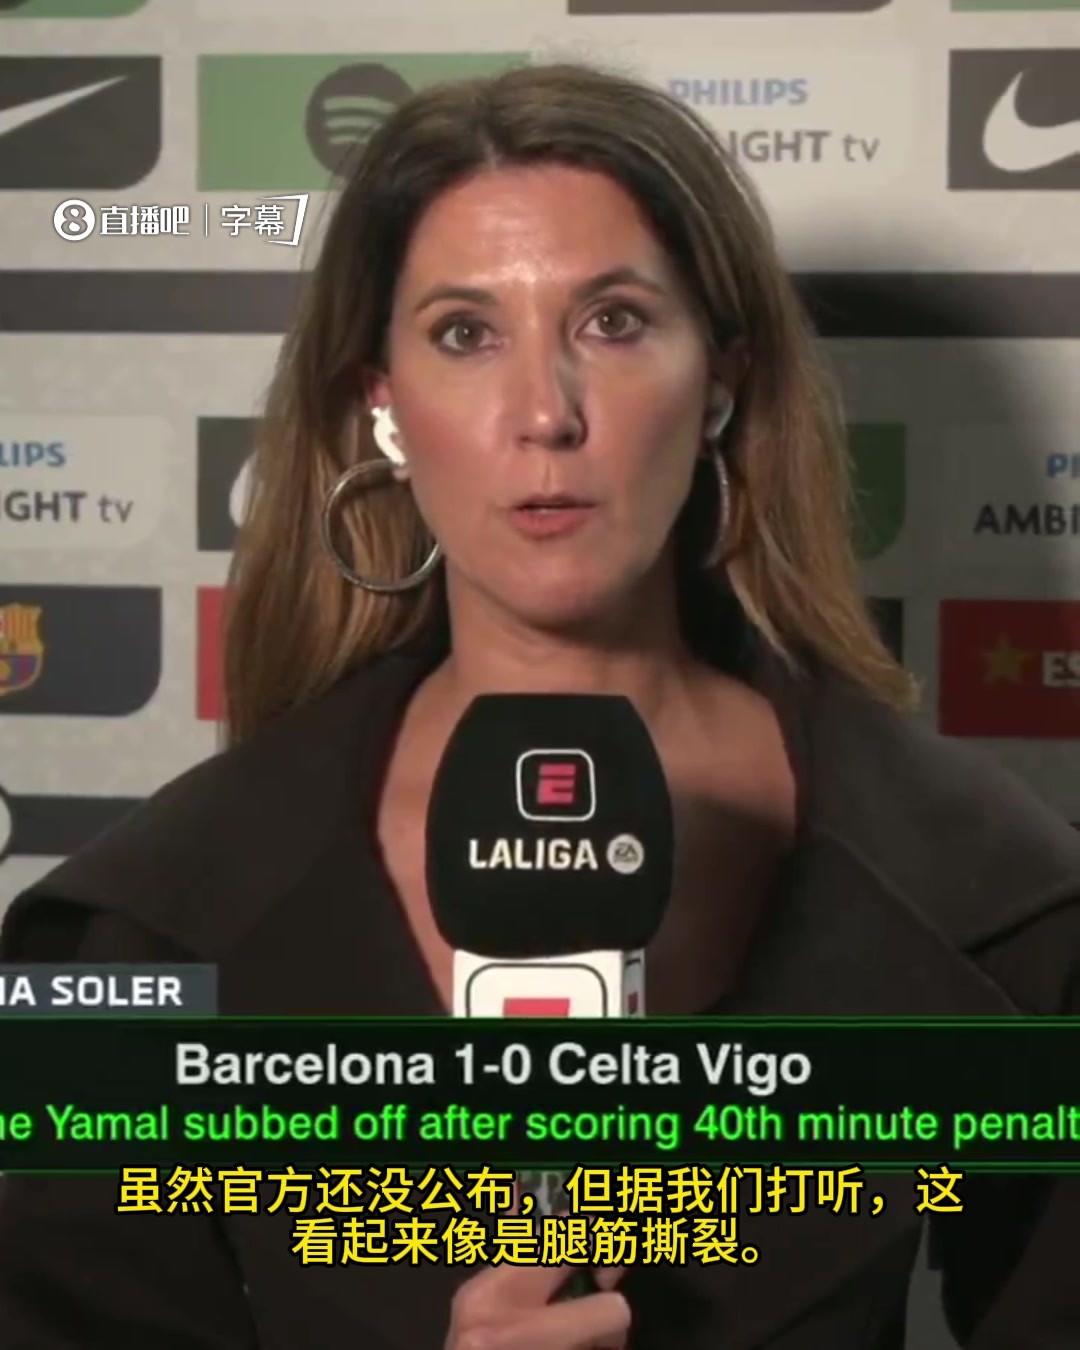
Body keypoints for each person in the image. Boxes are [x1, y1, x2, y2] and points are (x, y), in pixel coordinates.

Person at [1, 59, 1078, 1350]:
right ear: (382, 402)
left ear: (721, 382)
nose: (544, 414)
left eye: (612, 322)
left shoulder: (988, 903)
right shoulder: (142, 935)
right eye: (466, 334)